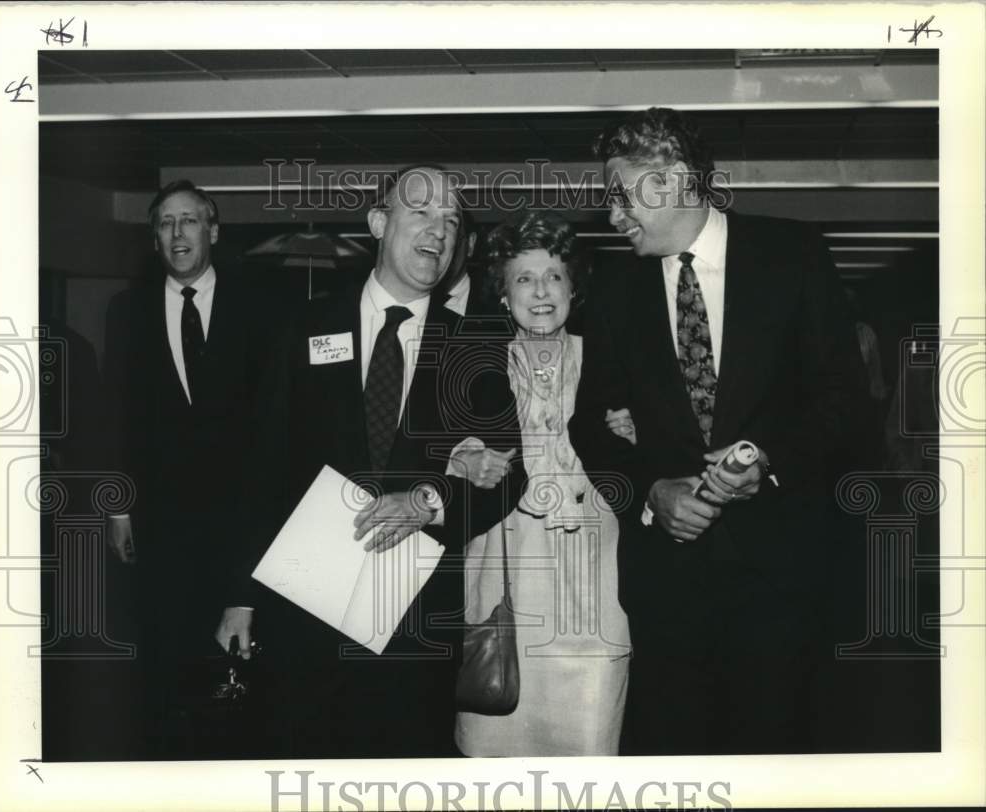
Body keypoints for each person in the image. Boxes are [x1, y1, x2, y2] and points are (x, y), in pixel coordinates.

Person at [569, 107, 867, 755]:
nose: (612, 214)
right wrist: (651, 491)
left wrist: (770, 455)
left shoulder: (793, 256)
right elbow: (589, 424)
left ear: (674, 180)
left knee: (775, 754)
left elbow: (845, 398)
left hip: (783, 581)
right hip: (667, 590)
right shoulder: (614, 290)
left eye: (621, 196)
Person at [216, 165, 525, 758]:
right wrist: (240, 595)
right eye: (422, 212)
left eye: (452, 219)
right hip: (302, 609)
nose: (440, 229)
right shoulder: (304, 328)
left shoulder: (476, 342)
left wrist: (428, 501)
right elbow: (262, 469)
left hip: (412, 623)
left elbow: (508, 474)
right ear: (380, 223)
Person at [102, 180, 278, 757]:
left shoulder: (258, 305)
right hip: (161, 522)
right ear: (154, 239)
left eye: (189, 221)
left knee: (239, 670)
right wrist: (120, 507)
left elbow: (278, 419)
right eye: (165, 225)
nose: (178, 234)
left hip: (242, 520)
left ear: (214, 231)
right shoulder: (127, 312)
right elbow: (116, 415)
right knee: (165, 662)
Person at [454, 211, 631, 756]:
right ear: (503, 295)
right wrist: (464, 458)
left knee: (588, 741)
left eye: (553, 275)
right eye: (523, 279)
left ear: (573, 288)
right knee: (497, 739)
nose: (540, 291)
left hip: (593, 576)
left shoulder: (611, 359)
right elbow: (439, 446)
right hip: (509, 569)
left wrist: (633, 435)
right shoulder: (475, 361)